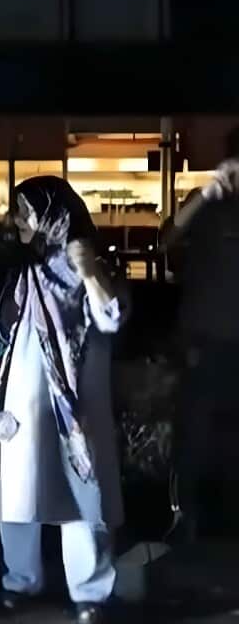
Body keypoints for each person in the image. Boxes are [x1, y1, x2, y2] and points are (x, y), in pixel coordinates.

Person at [0, 176, 128, 624]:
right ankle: (20, 582)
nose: (18, 220)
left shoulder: (88, 262)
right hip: (21, 403)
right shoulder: (18, 268)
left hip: (75, 406)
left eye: (26, 210)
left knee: (81, 493)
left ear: (53, 215)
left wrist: (89, 272)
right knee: (18, 493)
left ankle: (90, 592)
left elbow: (111, 317)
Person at [160, 152, 239, 543]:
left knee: (229, 440)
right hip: (201, 343)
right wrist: (206, 193)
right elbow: (166, 240)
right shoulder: (204, 204)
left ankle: (225, 521)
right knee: (193, 434)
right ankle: (186, 518)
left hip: (228, 342)